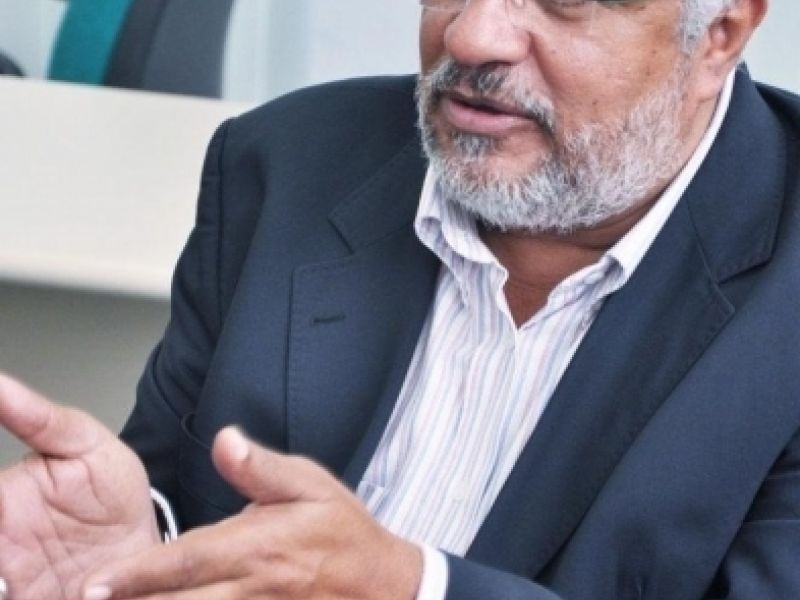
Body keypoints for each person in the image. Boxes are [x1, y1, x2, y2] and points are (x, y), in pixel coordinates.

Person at [1, 0, 798, 598]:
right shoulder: (284, 164)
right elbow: (171, 494)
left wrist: (412, 588)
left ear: (718, 35)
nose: (472, 36)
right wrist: (140, 547)